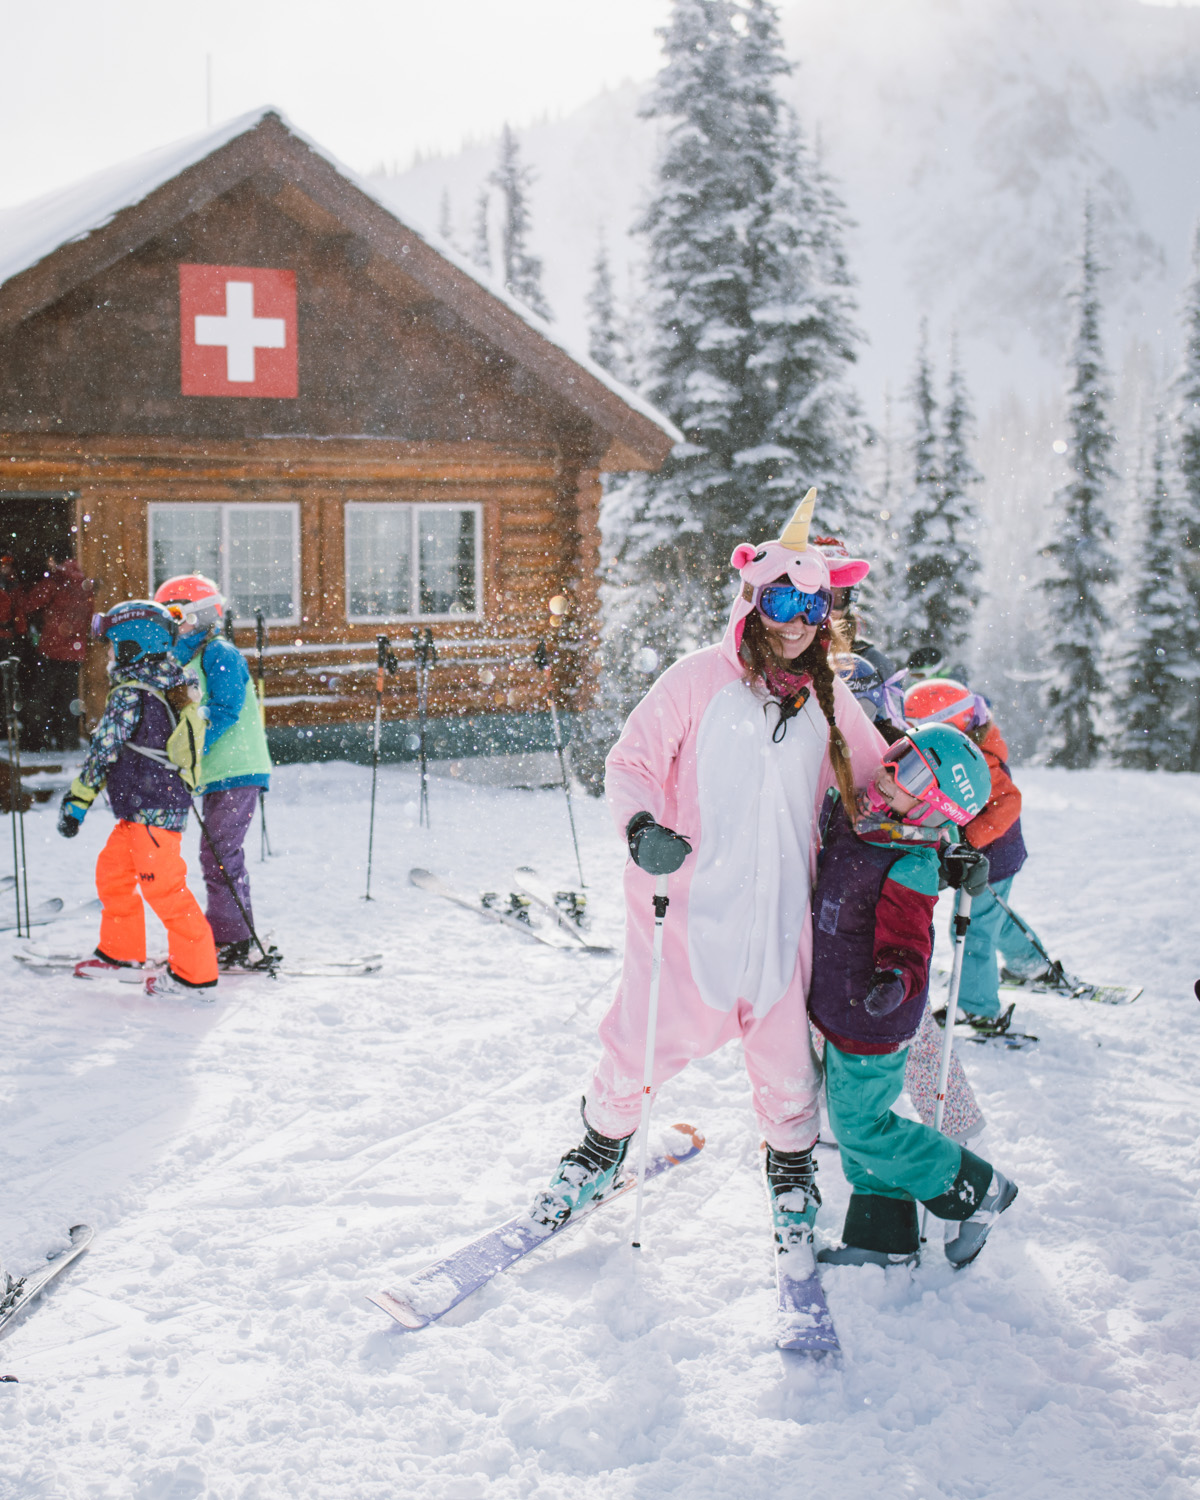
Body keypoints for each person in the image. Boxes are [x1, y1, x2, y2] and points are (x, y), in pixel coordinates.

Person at [528, 489, 886, 1248]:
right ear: (754, 598)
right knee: (638, 1042)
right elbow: (629, 763)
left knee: (789, 1059)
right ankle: (600, 1149)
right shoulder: (697, 679)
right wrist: (640, 827)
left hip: (784, 917)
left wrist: (953, 825)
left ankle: (790, 1169)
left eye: (812, 607)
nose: (794, 622)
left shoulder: (829, 698)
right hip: (688, 913)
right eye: (783, 598)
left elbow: (884, 781)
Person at [809, 724, 1019, 1268]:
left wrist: (894, 981)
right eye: (899, 753)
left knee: (863, 1126)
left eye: (913, 771)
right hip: (839, 1007)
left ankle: (978, 1186)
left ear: (932, 805)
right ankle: (884, 1236)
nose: (889, 767)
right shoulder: (867, 822)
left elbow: (908, 943)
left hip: (873, 1017)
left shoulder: (913, 862)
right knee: (855, 1126)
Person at [56, 600, 218, 998]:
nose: (109, 653)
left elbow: (103, 751)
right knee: (112, 875)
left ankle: (195, 978)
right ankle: (120, 954)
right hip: (140, 810)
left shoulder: (131, 692)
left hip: (153, 810)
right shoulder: (167, 681)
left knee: (165, 890)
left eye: (113, 644)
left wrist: (78, 801)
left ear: (132, 646)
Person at [904, 678, 1047, 1031]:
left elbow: (1009, 803)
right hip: (985, 855)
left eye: (917, 728)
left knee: (971, 930)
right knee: (992, 916)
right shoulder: (962, 746)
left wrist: (970, 838)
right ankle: (1029, 964)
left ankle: (978, 1008)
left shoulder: (977, 757)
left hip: (991, 858)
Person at [153, 575, 275, 970]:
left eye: (176, 616)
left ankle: (234, 939)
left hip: (238, 769)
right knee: (216, 854)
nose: (171, 627)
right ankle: (229, 932)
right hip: (217, 773)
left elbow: (223, 709)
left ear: (199, 615)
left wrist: (190, 748)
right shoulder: (183, 661)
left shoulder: (219, 653)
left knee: (219, 854)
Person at [22, 555, 94, 751]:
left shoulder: (56, 580)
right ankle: (68, 742)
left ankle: (37, 743)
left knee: (41, 697)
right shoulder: (84, 583)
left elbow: (29, 603)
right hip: (74, 653)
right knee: (68, 700)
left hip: (51, 649)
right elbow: (89, 615)